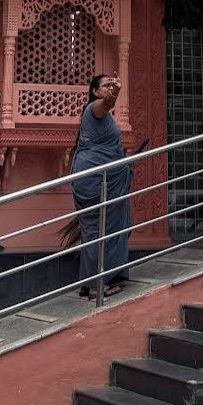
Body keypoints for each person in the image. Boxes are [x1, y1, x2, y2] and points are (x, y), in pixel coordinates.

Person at [69, 72, 131, 297]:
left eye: (111, 85)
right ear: (95, 91)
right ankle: (96, 285)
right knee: (97, 230)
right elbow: (109, 101)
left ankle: (90, 284)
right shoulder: (95, 108)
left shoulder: (104, 117)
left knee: (97, 229)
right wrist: (116, 89)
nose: (109, 88)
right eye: (105, 86)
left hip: (106, 178)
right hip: (96, 180)